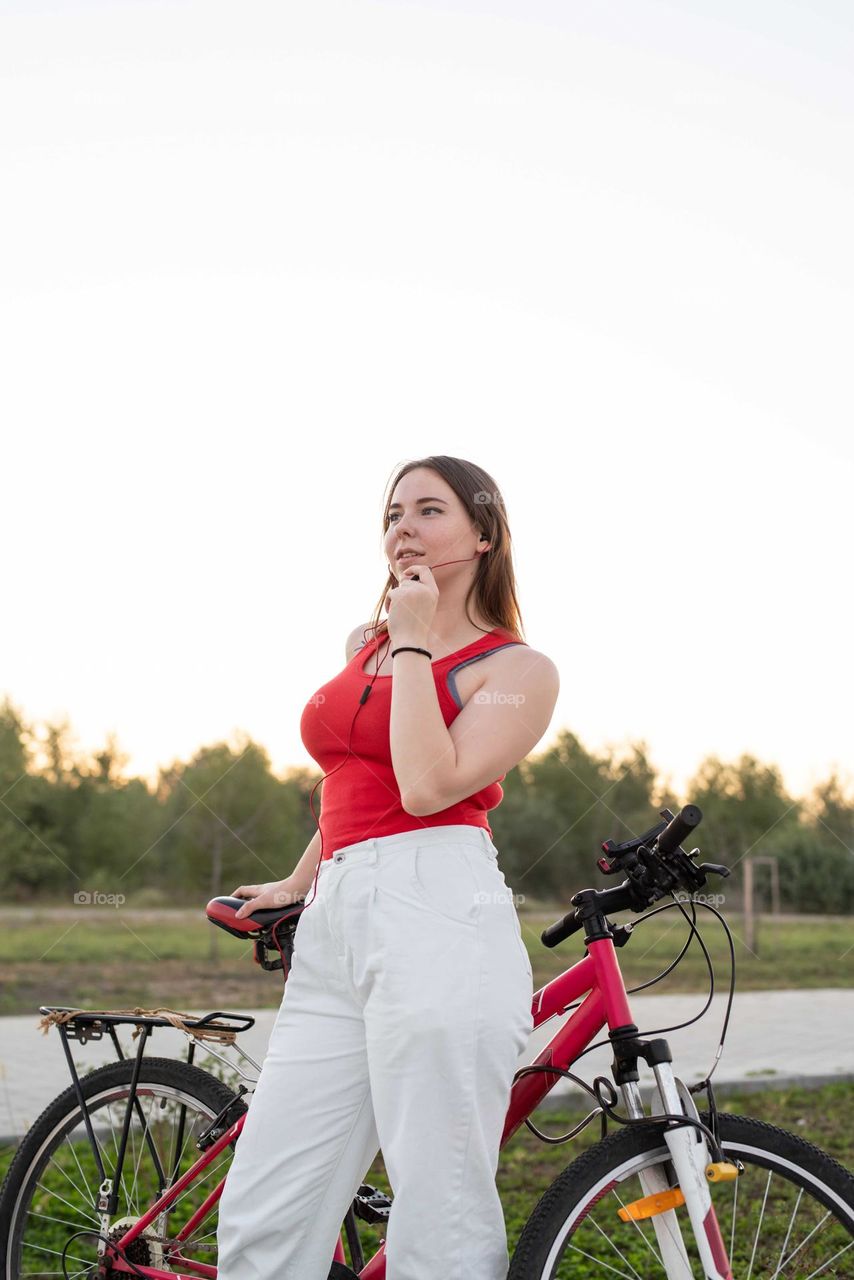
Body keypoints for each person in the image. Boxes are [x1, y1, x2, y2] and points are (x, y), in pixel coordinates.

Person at [216, 455, 560, 1280]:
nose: (401, 526)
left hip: (438, 909)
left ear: (483, 535)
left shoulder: (516, 672)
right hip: (342, 912)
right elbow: (351, 778)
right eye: (392, 513)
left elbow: (426, 782)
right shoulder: (365, 646)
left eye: (428, 511)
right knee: (268, 1206)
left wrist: (411, 641)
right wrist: (302, 880)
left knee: (437, 1216)